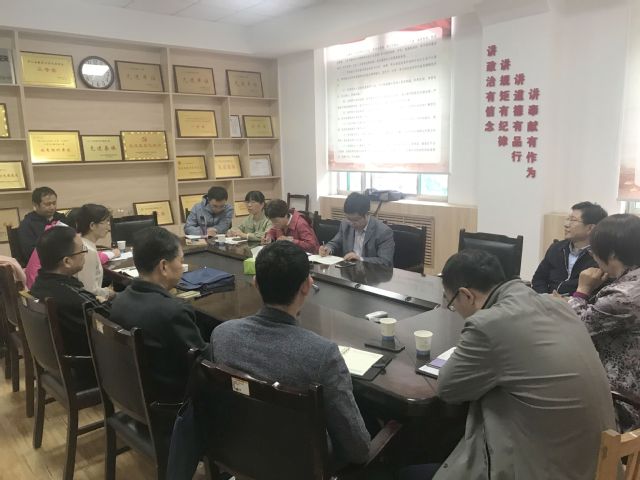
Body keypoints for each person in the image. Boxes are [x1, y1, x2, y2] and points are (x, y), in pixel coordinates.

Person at [400, 249, 616, 480]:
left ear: (466, 295)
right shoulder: (558, 304)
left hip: (546, 469)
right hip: (599, 465)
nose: (455, 310)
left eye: (452, 303)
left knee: (409, 472)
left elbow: (448, 389)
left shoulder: (488, 323)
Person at [211, 241, 370, 466]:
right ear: (307, 285)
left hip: (242, 454)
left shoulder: (222, 334)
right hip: (303, 467)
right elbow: (358, 450)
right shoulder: (322, 354)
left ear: (255, 284)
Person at [110, 227, 207, 402]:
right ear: (164, 266)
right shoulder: (172, 312)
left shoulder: (119, 300)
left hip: (134, 392)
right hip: (172, 400)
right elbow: (202, 361)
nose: (182, 267)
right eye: (181, 260)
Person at [567, 213, 640, 430]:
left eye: (593, 250)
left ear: (612, 253)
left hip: (622, 402)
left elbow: (573, 329)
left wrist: (582, 291)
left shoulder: (623, 295)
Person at [30, 226, 105, 361]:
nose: (85, 253)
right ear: (67, 261)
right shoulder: (75, 299)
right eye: (82, 249)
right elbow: (109, 321)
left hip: (55, 359)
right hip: (87, 364)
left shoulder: (38, 285)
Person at [531, 201, 607, 294]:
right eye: (568, 219)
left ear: (590, 228)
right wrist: (545, 297)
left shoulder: (601, 257)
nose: (566, 225)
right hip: (546, 300)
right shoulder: (557, 248)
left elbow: (598, 292)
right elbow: (538, 279)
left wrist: (567, 300)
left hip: (577, 301)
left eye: (573, 220)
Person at [319, 192, 394, 266]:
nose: (351, 223)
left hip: (371, 272)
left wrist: (360, 259)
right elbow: (335, 243)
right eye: (348, 219)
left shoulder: (383, 232)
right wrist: (328, 249)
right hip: (348, 270)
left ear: (367, 214)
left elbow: (385, 261)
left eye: (355, 220)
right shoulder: (345, 224)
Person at [76, 204, 120, 298]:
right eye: (106, 222)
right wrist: (110, 293)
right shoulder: (87, 251)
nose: (109, 227)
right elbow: (89, 290)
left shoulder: (82, 242)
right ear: (92, 225)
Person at [18, 186, 65, 259]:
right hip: (43, 262)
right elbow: (30, 252)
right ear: (35, 205)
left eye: (54, 203)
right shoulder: (27, 224)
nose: (52, 207)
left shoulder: (61, 218)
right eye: (47, 204)